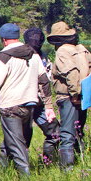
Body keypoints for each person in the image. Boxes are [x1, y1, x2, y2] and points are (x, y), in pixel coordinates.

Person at [0, 23, 55, 177]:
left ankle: (25, 178)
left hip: (10, 107)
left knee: (16, 144)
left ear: (3, 39)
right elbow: (44, 81)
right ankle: (2, 171)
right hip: (29, 106)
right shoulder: (33, 55)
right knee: (11, 140)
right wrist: (49, 105)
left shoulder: (3, 57)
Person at [46, 21, 91, 168]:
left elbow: (71, 72)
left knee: (67, 133)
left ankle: (67, 168)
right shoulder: (81, 49)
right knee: (78, 130)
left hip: (68, 97)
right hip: (83, 96)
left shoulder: (62, 52)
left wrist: (74, 94)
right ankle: (80, 163)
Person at [23, 27, 61, 164]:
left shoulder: (43, 58)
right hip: (23, 104)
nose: (36, 42)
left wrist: (48, 105)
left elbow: (47, 81)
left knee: (56, 133)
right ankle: (14, 168)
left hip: (40, 105)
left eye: (38, 40)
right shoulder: (19, 56)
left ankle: (47, 162)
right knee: (21, 138)